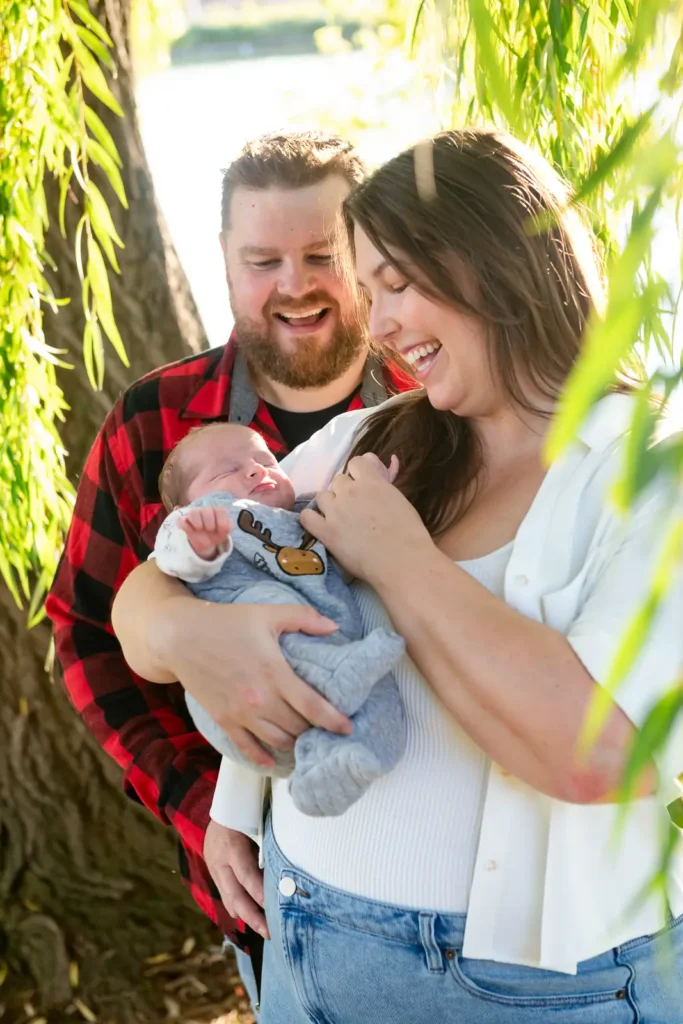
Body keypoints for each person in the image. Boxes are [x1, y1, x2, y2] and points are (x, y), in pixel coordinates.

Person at [113, 128, 683, 1022]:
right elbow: (147, 598)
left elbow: (600, 758)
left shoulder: (652, 470)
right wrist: (193, 642)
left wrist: (400, 557)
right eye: (368, 292)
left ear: (495, 263)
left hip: (532, 993)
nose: (376, 328)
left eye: (397, 286)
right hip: (305, 941)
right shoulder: (373, 437)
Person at [45, 129, 415, 1007]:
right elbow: (88, 632)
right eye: (262, 261)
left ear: (367, 255)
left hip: (434, 867)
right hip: (263, 892)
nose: (294, 284)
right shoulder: (152, 422)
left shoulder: (432, 401)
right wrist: (206, 808)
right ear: (222, 261)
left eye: (321, 255)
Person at [153, 421, 406, 817]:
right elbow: (167, 556)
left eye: (266, 460)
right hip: (241, 681)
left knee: (384, 706)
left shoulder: (306, 515)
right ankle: (334, 676)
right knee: (266, 604)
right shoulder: (205, 518)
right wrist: (197, 544)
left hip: (321, 685)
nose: (256, 470)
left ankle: (327, 774)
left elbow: (353, 529)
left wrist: (374, 492)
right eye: (225, 471)